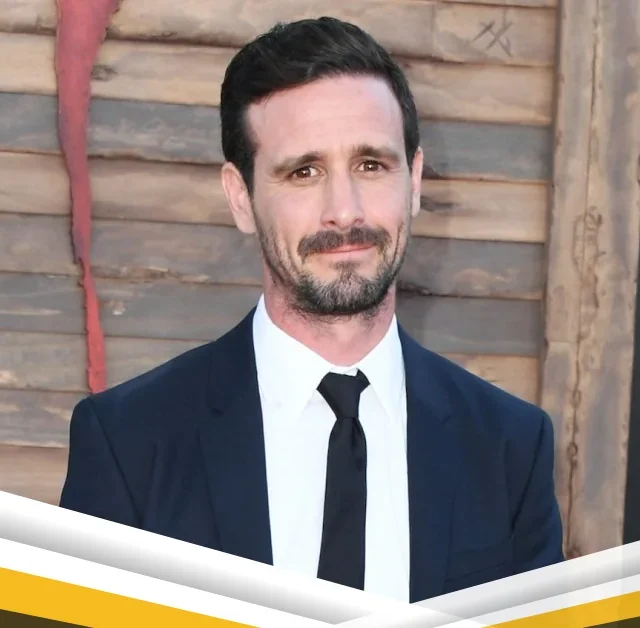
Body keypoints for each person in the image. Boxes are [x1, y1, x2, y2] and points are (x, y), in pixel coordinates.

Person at [59, 17, 564, 603]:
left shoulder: (509, 446)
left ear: (415, 180)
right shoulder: (128, 443)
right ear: (241, 198)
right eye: (304, 172)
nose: (344, 210)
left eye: (371, 164)